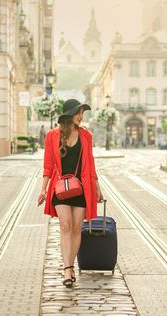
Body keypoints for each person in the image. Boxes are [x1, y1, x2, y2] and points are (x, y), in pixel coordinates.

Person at [38, 99, 103, 288]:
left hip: (82, 188)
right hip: (59, 188)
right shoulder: (52, 136)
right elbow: (48, 165)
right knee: (65, 226)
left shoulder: (86, 136)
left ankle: (71, 264)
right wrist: (43, 188)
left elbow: (90, 163)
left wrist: (97, 187)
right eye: (79, 113)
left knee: (76, 228)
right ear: (70, 114)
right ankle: (67, 269)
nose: (81, 117)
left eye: (83, 113)